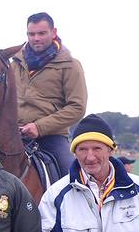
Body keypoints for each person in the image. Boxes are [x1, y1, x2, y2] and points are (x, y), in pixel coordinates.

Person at [9, 12, 88, 177]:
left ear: (54, 32)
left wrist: (39, 127)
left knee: (72, 177)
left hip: (52, 137)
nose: (36, 38)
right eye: (31, 34)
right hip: (13, 134)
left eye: (41, 33)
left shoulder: (70, 65)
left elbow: (77, 107)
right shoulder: (15, 64)